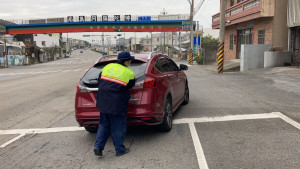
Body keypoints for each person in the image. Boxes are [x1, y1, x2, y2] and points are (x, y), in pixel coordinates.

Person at [94, 51, 135, 157]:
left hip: (103, 101)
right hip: (117, 104)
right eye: (129, 60)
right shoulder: (128, 73)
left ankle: (98, 146)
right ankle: (120, 150)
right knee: (118, 126)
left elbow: (99, 80)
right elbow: (130, 85)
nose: (130, 62)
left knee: (103, 124)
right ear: (126, 62)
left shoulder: (108, 67)